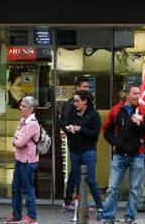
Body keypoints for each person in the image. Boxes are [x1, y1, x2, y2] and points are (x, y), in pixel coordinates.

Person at [100, 84, 145, 224]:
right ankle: (108, 216)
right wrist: (115, 142)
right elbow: (106, 130)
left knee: (135, 189)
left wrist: (139, 124)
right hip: (119, 154)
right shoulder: (116, 110)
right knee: (112, 188)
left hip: (138, 154)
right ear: (127, 95)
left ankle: (130, 217)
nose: (137, 96)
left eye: (139, 93)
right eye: (135, 93)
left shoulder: (143, 111)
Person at [63, 89, 104, 219]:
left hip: (88, 151)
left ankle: (100, 207)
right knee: (76, 179)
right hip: (75, 151)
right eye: (74, 101)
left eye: (77, 101)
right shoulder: (72, 113)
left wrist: (81, 129)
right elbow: (65, 125)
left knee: (91, 180)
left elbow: (94, 134)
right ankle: (81, 209)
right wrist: (68, 129)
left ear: (85, 101)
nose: (74, 104)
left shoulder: (93, 115)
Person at [59, 75, 93, 209]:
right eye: (84, 87)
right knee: (77, 171)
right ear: (77, 87)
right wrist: (72, 132)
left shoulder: (87, 102)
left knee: (78, 171)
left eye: (88, 87)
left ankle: (72, 200)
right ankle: (74, 200)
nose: (86, 89)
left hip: (84, 142)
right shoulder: (70, 104)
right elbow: (64, 123)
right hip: (76, 143)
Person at [6, 96, 41, 224]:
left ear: (31, 109)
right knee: (16, 187)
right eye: (21, 105)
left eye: (24, 106)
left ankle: (31, 216)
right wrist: (17, 139)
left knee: (28, 189)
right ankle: (16, 214)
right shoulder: (23, 121)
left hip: (28, 160)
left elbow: (19, 142)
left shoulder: (32, 123)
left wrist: (16, 140)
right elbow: (16, 138)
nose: (20, 108)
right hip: (20, 159)